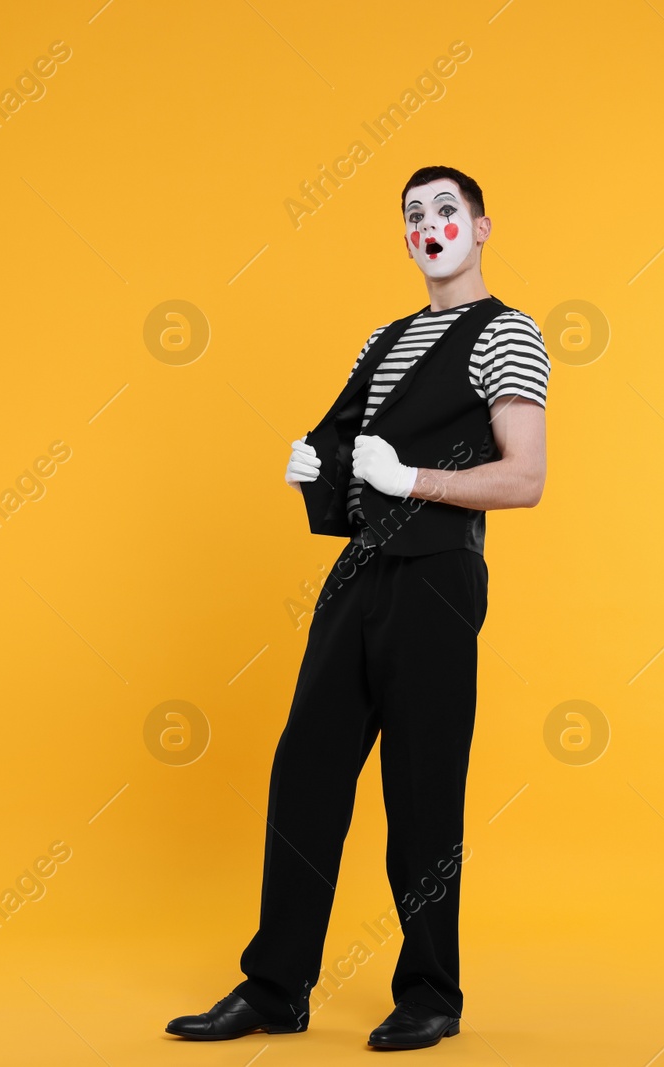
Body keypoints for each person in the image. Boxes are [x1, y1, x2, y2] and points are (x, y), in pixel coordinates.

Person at [167, 165, 549, 1051]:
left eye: (447, 210)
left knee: (422, 793)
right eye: (414, 214)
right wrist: (321, 475)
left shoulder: (509, 333)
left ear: (483, 228)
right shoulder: (382, 340)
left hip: (437, 582)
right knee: (304, 774)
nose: (430, 224)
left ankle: (431, 993)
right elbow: (351, 470)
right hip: (359, 576)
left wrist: (411, 478)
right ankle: (275, 986)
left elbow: (524, 477)